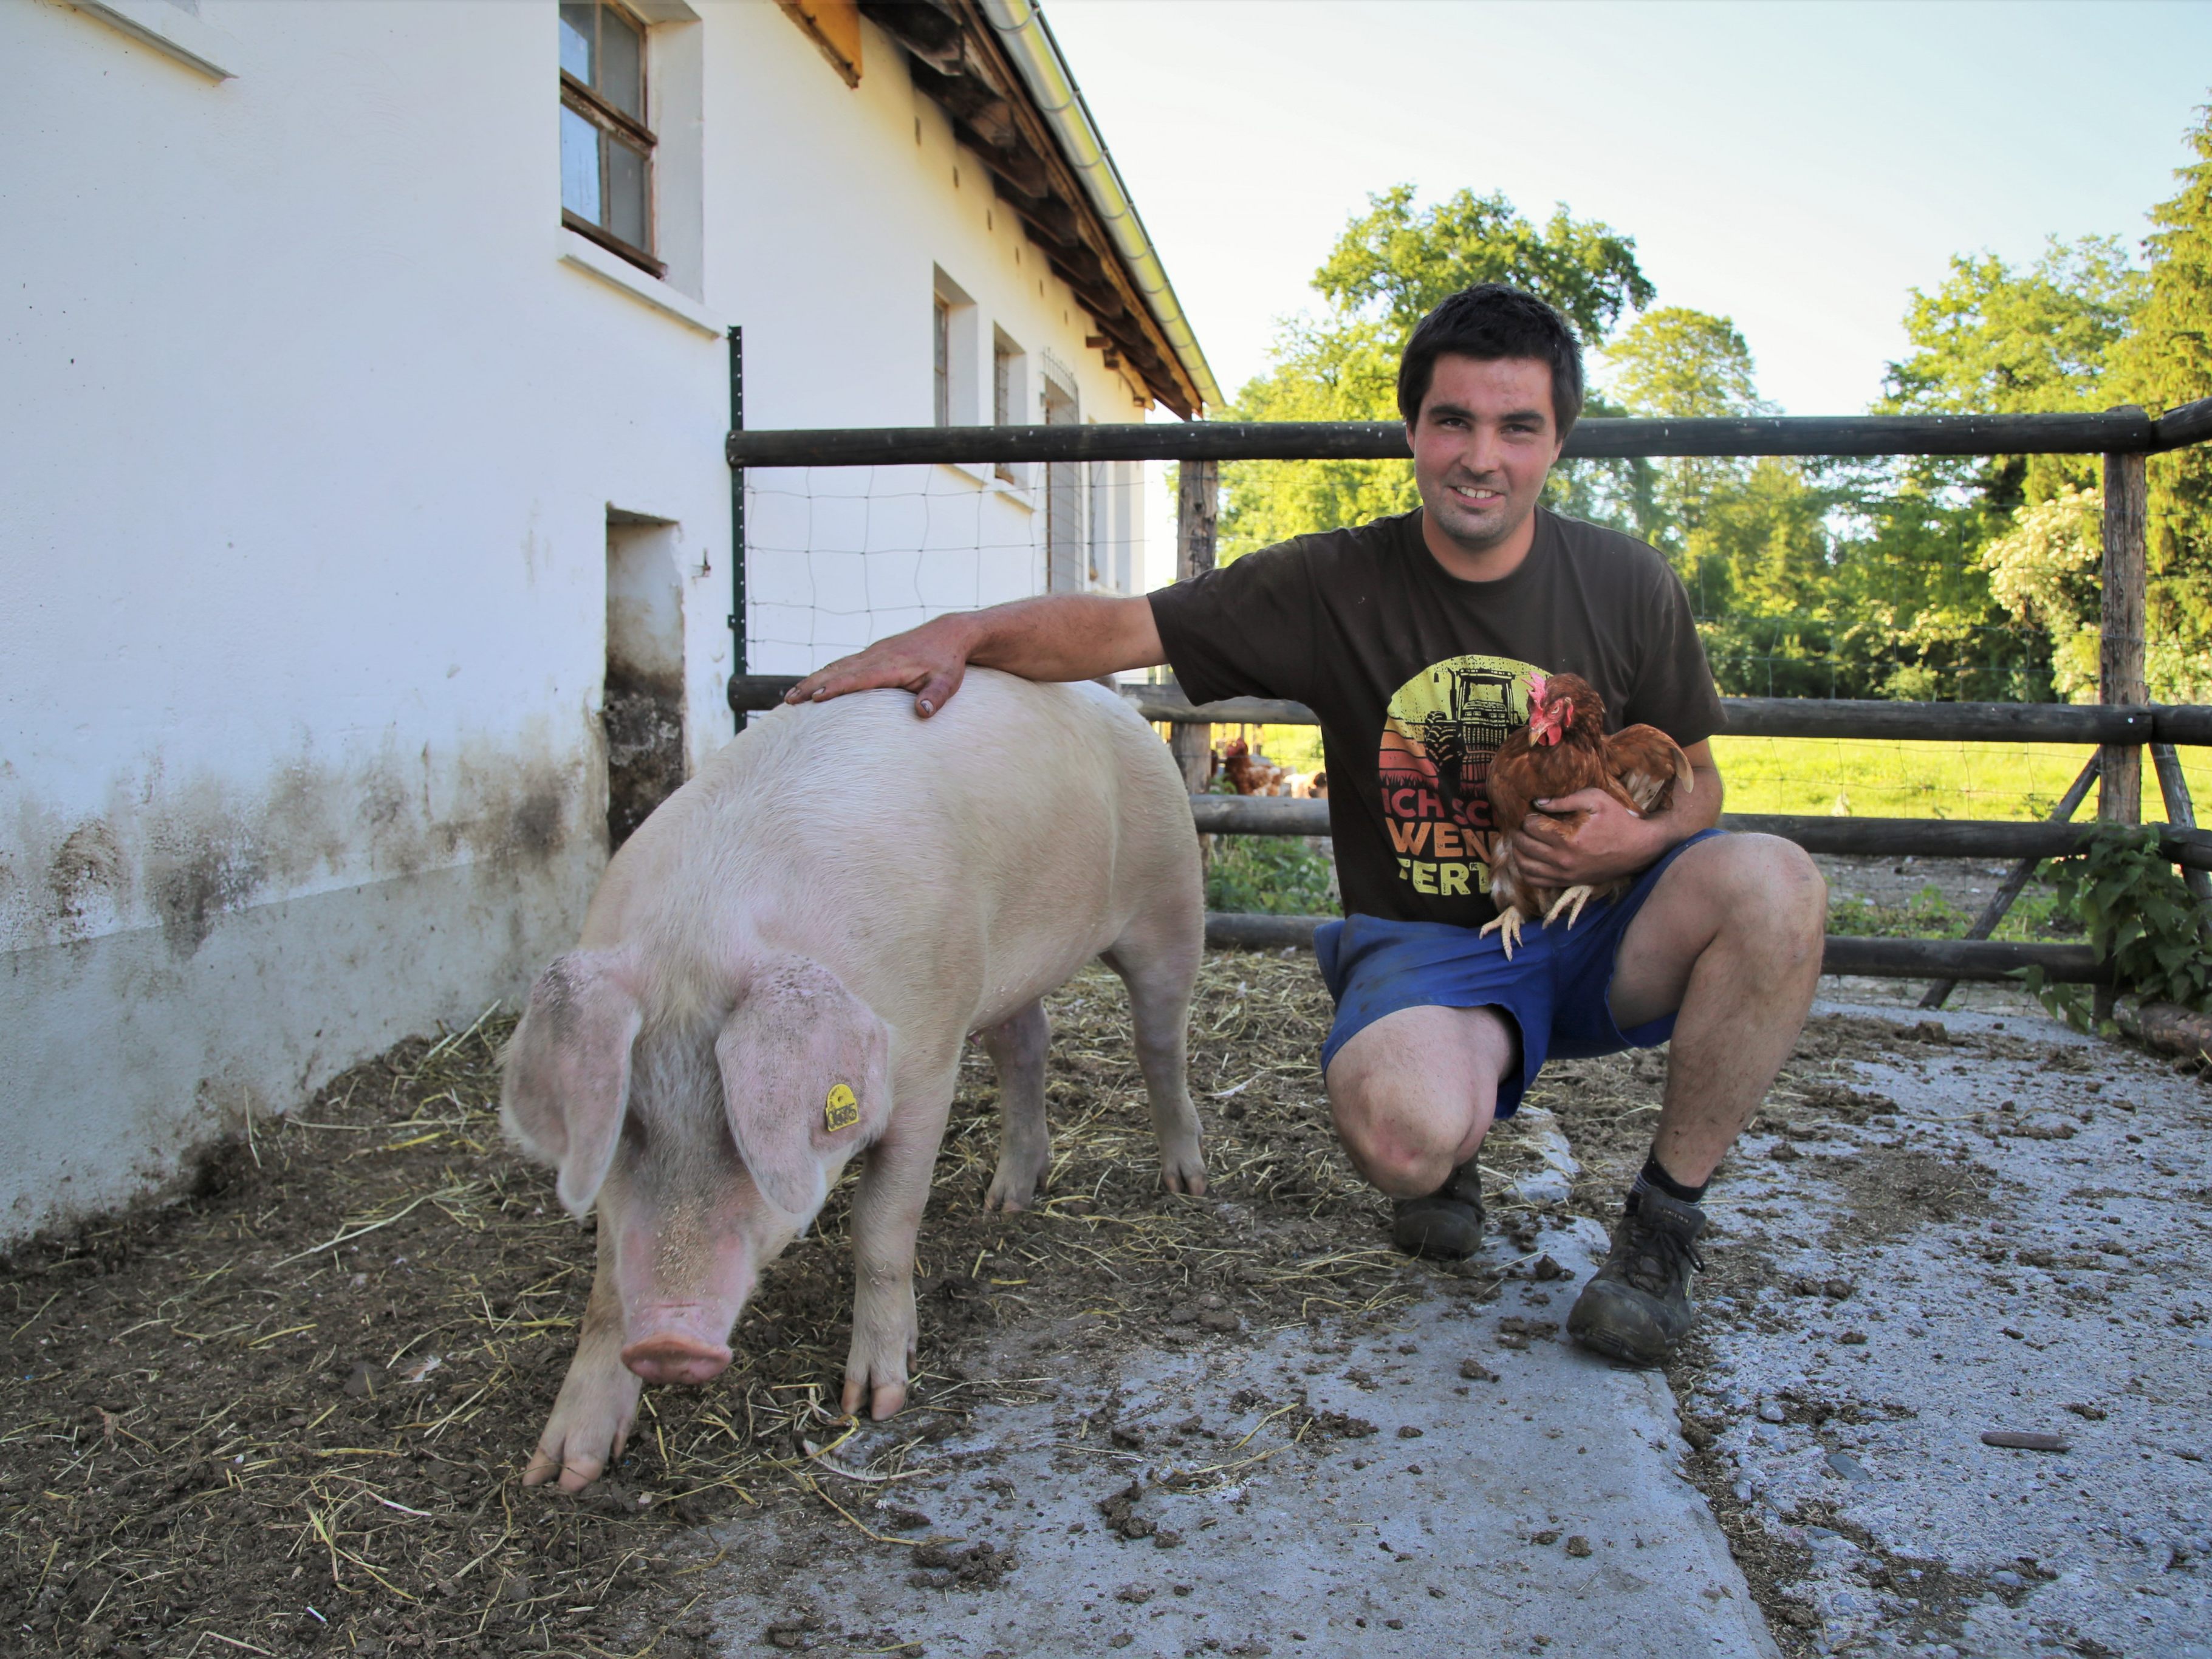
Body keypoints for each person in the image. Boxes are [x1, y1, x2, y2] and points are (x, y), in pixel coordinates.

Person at [784, 283, 1826, 1366]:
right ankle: (1448, 1116)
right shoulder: (1337, 582)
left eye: (1517, 427)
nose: (1481, 456)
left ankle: (1662, 1228)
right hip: (1434, 943)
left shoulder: (1625, 582)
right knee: (1400, 1135)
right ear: (1413, 430)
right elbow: (1119, 629)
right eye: (1453, 421)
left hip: (1601, 926)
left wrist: (1641, 840)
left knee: (1777, 883)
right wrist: (959, 630)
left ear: (1555, 441)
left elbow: (1699, 780)